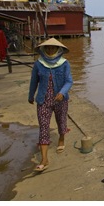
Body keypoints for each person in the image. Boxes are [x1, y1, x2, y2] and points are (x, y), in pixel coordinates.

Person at [28, 38, 73, 172]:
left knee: (61, 121)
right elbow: (33, 81)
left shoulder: (64, 63)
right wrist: (31, 96)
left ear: (58, 50)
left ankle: (61, 138)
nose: (50, 50)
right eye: (48, 48)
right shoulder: (39, 64)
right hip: (43, 100)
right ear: (43, 49)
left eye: (53, 48)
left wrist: (62, 92)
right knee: (43, 127)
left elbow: (69, 81)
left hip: (60, 99)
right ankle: (44, 160)